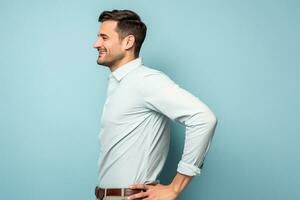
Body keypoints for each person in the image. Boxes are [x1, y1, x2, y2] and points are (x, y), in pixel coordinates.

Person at [93, 9, 217, 200]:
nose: (96, 44)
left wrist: (175, 188)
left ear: (128, 42)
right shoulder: (119, 83)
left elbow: (203, 118)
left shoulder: (145, 80)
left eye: (104, 37)